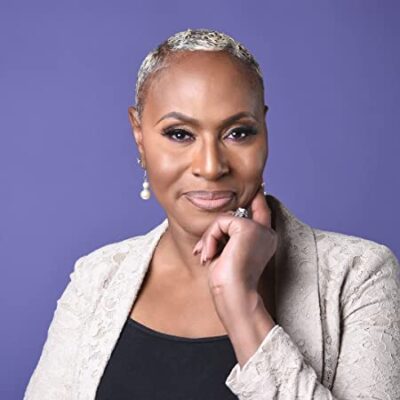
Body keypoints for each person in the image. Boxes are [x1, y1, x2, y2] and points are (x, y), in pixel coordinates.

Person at [24, 28, 399, 400]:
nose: (211, 166)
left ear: (264, 129)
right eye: (180, 134)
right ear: (139, 136)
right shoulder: (96, 279)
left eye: (238, 133)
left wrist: (241, 305)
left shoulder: (358, 276)